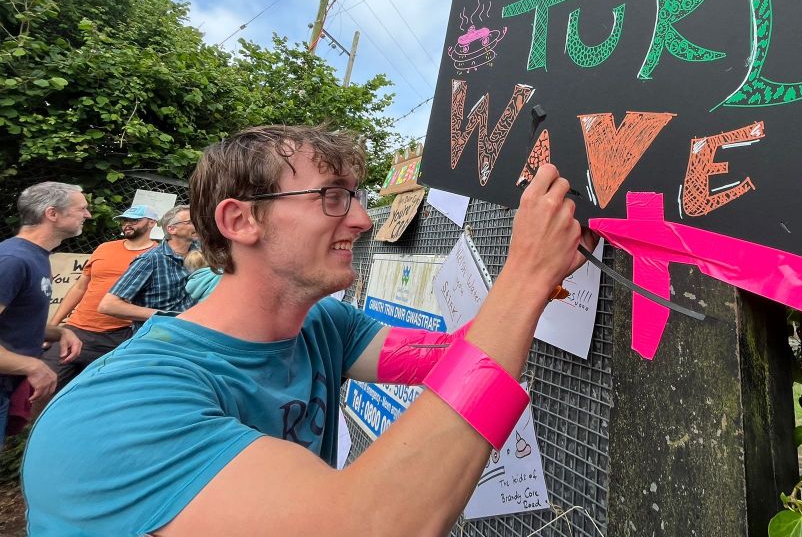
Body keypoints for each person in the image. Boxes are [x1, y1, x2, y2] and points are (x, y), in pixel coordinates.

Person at [24, 125, 591, 535]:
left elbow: (456, 358)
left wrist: (538, 282)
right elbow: (372, 525)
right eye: (333, 197)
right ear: (240, 219)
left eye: (357, 197)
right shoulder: (120, 407)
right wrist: (523, 277)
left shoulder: (321, 325)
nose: (362, 219)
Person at [0, 182, 86, 442]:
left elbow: (15, 320)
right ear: (52, 213)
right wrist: (33, 365)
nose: (88, 214)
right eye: (81, 208)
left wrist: (59, 332)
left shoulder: (36, 256)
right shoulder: (12, 260)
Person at [43, 205, 159, 394]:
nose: (127, 224)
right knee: (44, 385)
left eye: (135, 220)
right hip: (77, 329)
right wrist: (54, 327)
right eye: (125, 220)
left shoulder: (158, 255)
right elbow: (80, 286)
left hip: (121, 335)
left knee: (99, 394)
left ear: (152, 223)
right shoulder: (105, 248)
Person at [97, 204, 196, 326]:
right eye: (191, 222)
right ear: (172, 229)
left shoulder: (201, 253)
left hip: (192, 329)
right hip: (159, 333)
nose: (199, 224)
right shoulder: (150, 260)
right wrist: (170, 316)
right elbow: (108, 305)